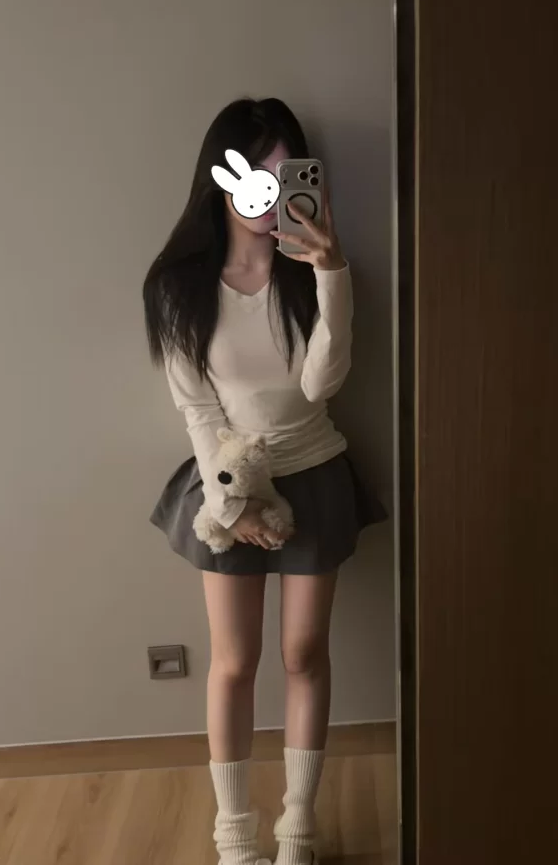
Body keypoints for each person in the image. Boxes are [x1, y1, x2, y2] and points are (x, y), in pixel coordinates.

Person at [143, 97, 385, 865]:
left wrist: (331, 271)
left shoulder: (312, 275)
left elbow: (322, 385)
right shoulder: (178, 285)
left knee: (304, 654)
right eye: (250, 172)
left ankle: (297, 830)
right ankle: (235, 837)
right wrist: (230, 503)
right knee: (234, 662)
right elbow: (197, 409)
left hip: (314, 473)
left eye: (283, 174)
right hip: (228, 482)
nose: (264, 189)